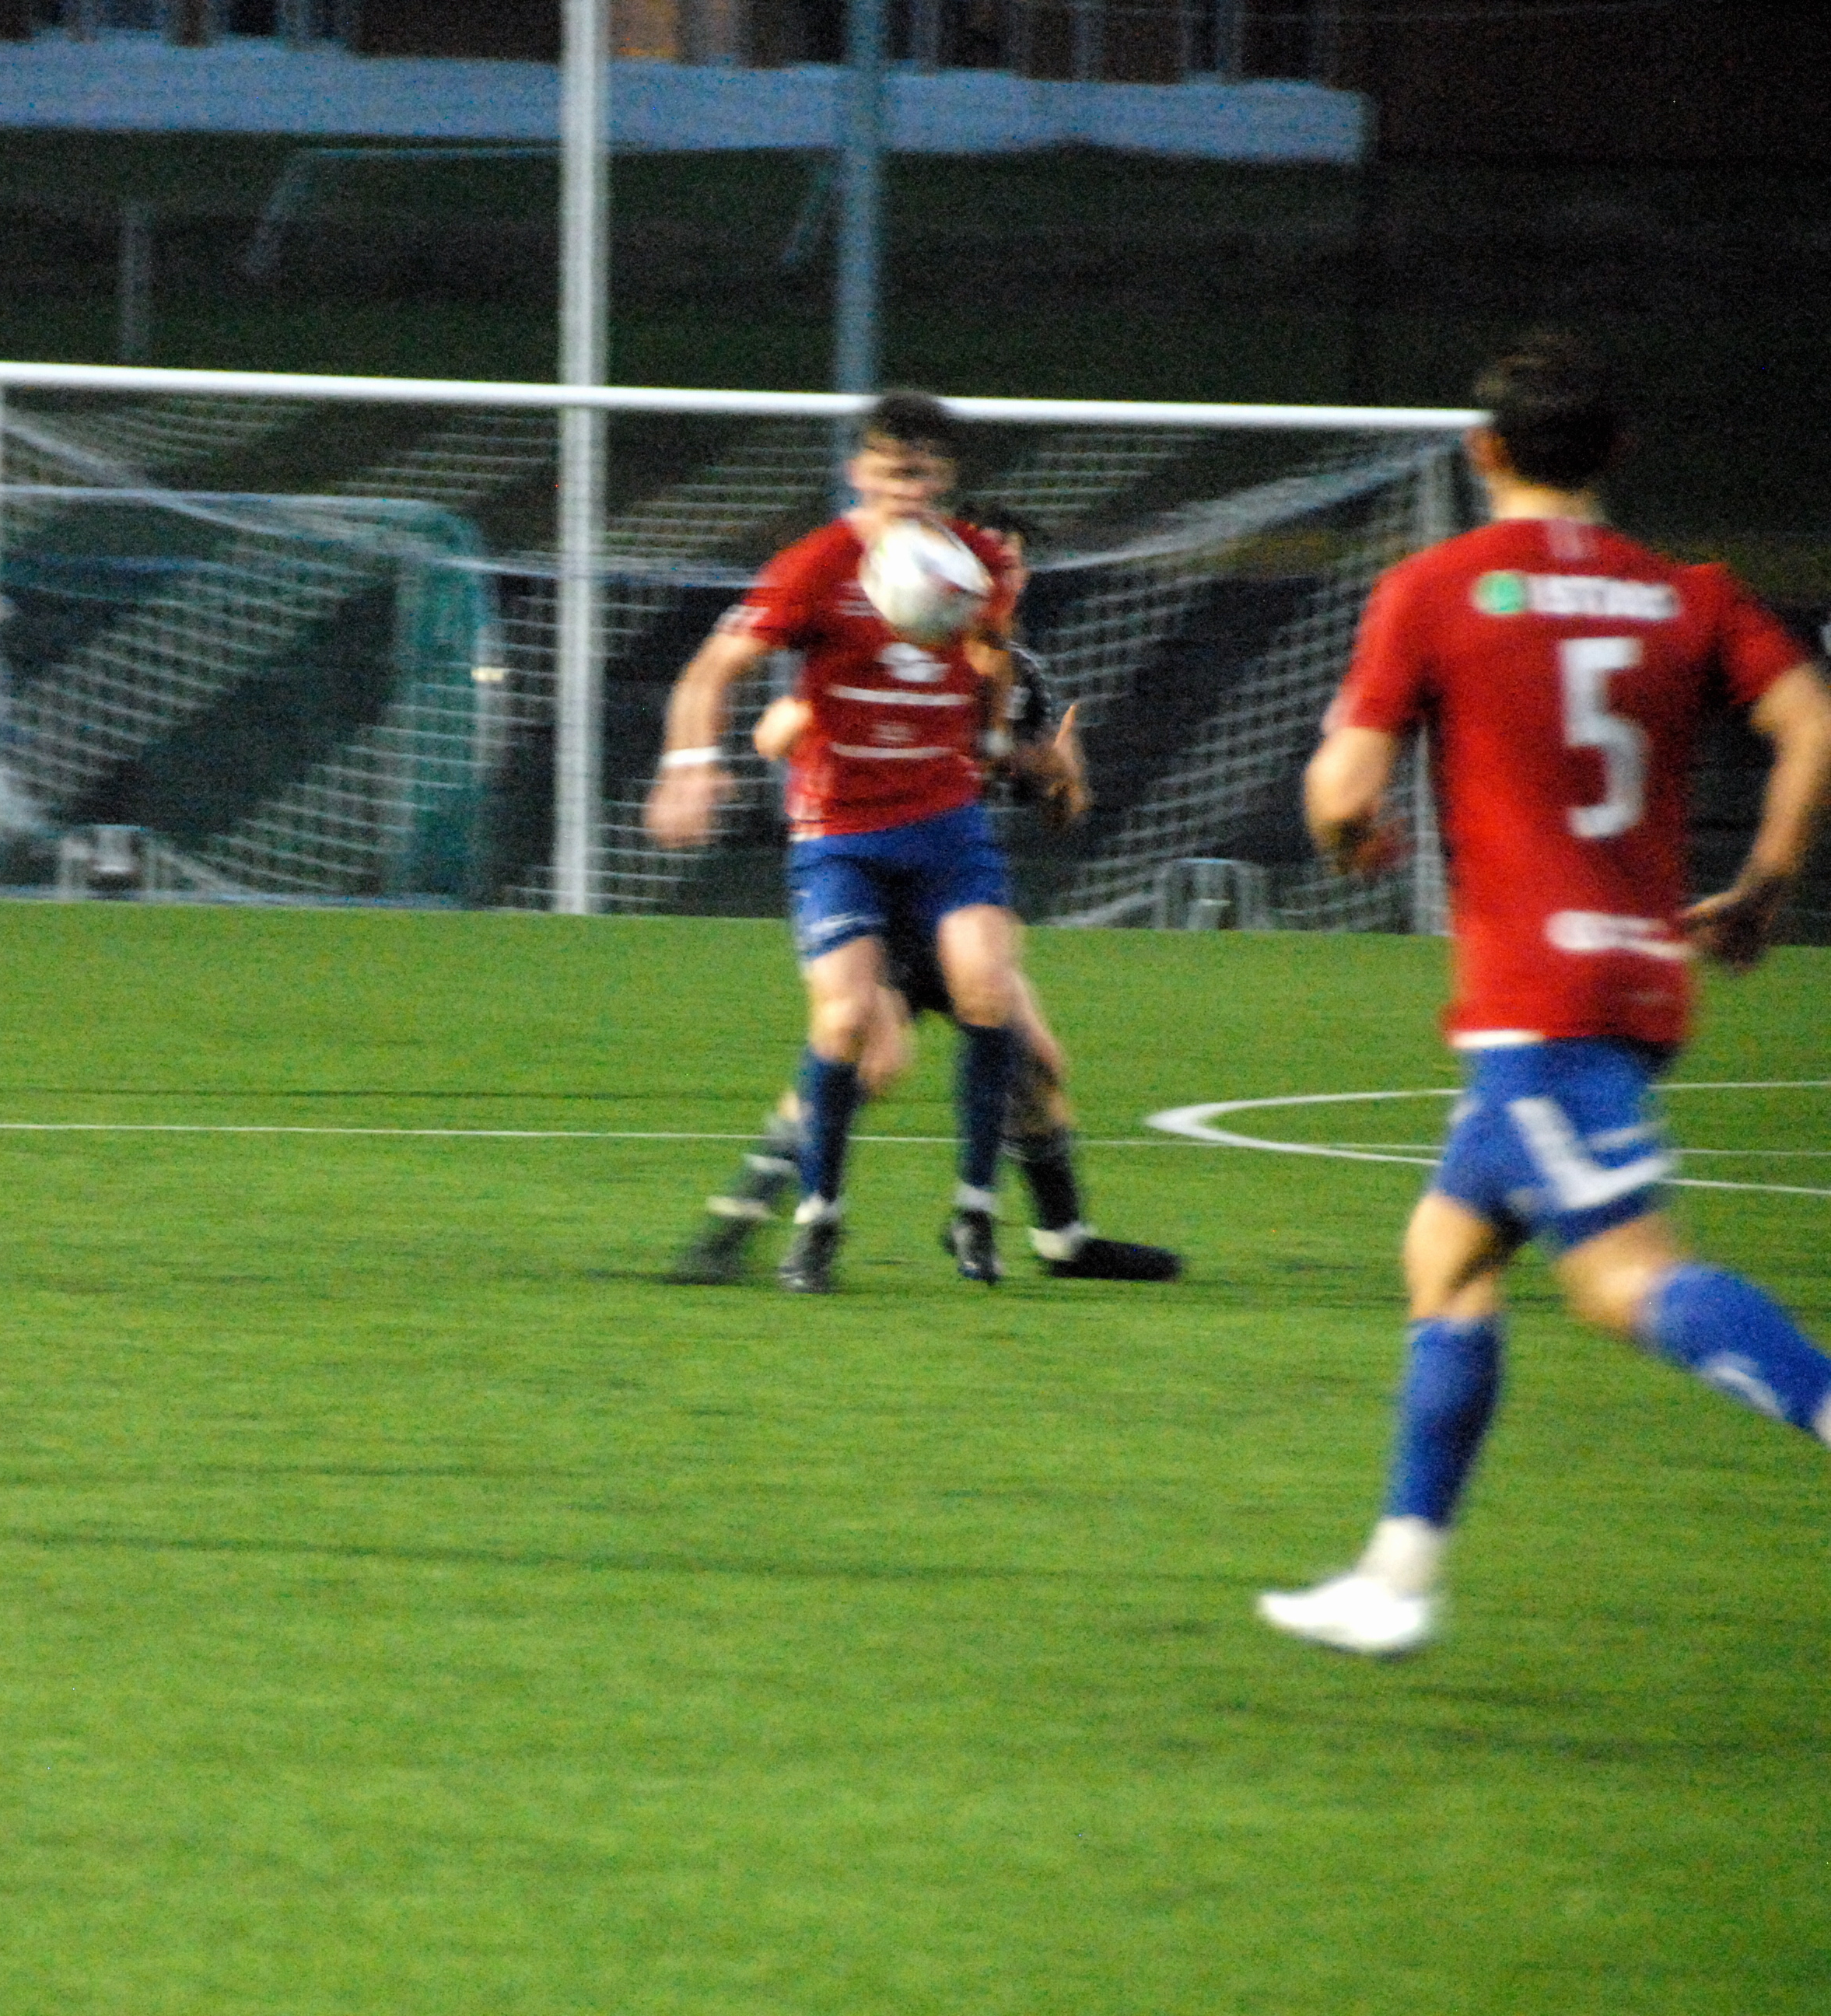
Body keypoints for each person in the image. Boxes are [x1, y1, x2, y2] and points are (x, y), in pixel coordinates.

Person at [1260, 334, 1831, 1657]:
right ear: (1617, 452)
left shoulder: (1434, 587)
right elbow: (1810, 717)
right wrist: (1765, 881)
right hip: (1632, 979)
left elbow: (1342, 788)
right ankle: (1398, 1578)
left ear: (1483, 451)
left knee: (1622, 1278)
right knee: (1446, 1254)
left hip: (1535, 998)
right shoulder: (1688, 594)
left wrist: (1348, 838)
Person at [667, 507, 1180, 1288]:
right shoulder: (883, 644)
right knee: (871, 1058)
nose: (997, 577)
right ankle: (736, 1225)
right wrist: (818, 722)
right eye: (989, 560)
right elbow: (774, 735)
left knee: (1036, 1062)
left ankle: (1065, 1240)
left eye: (1011, 566)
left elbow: (1039, 798)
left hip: (947, 888)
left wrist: (1058, 780)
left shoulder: (1014, 673)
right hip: (874, 874)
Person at [647, 392, 1073, 1291]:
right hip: (845, 838)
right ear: (858, 473)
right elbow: (717, 673)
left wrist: (1011, 751)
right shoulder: (816, 566)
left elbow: (991, 675)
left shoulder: (976, 567)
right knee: (853, 1034)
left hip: (945, 835)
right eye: (888, 471)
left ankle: (1010, 1224)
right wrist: (691, 764)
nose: (905, 488)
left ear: (943, 479)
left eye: (921, 473)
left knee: (1013, 1027)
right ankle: (794, 1222)